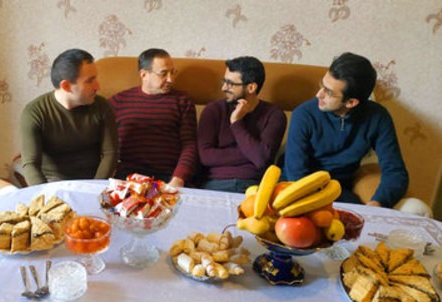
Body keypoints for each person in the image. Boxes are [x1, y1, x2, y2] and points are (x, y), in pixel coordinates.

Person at [284, 52, 408, 208]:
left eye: (328, 92)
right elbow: (296, 174)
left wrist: (377, 203)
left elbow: (396, 172)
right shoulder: (303, 114)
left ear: (351, 102)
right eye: (322, 85)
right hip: (297, 188)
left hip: (339, 190)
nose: (318, 94)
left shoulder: (378, 117)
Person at [20, 48, 118, 185]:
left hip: (94, 180)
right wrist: (46, 197)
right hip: (53, 182)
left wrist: (94, 188)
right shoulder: (35, 112)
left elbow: (110, 154)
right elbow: (31, 165)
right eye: (90, 81)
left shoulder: (102, 106)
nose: (98, 86)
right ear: (66, 86)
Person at [109, 48, 197, 188]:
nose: (171, 79)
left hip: (168, 178)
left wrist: (178, 179)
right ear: (144, 74)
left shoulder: (182, 101)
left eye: (172, 72)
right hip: (126, 179)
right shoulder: (118, 102)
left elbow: (190, 145)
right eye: (163, 74)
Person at [197, 56, 286, 193]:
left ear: (251, 87)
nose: (223, 87)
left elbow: (262, 159)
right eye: (224, 81)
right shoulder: (213, 110)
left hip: (253, 187)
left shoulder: (274, 115)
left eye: (230, 83)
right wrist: (252, 154)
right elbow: (205, 156)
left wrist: (236, 123)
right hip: (215, 184)